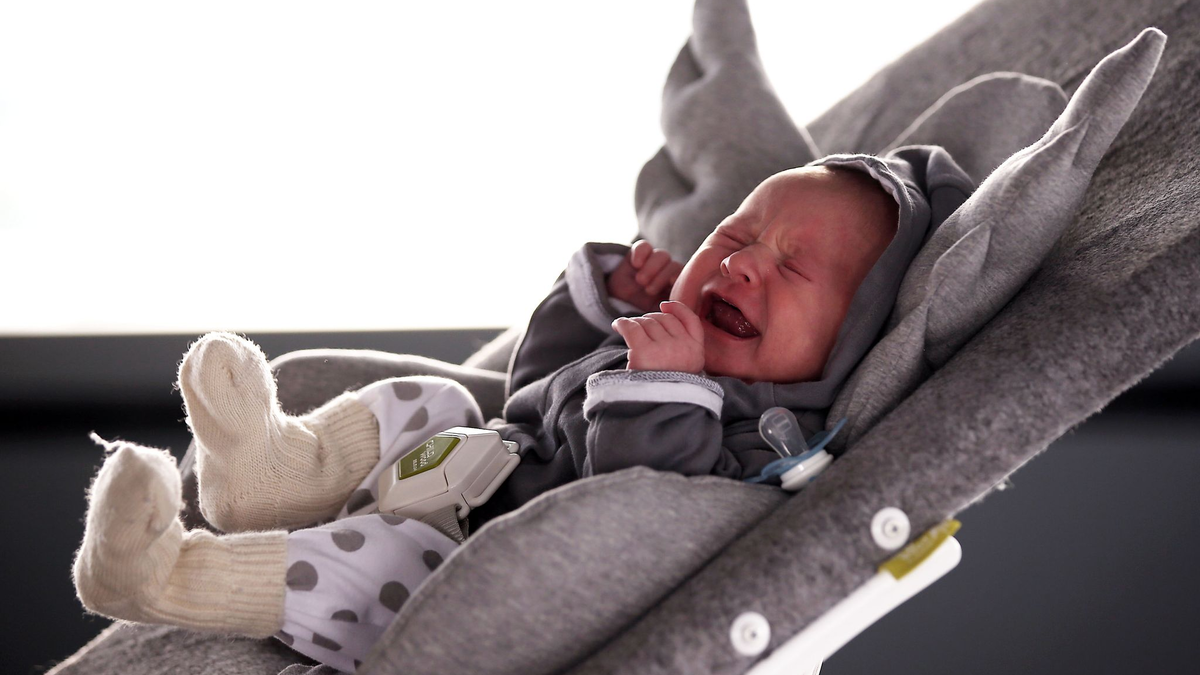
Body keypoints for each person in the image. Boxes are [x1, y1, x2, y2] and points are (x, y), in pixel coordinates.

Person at [71, 149, 969, 673]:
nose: (740, 264)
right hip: (469, 469)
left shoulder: (764, 447)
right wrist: (603, 306)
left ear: (850, 337)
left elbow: (641, 526)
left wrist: (662, 390)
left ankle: (167, 577)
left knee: (385, 559)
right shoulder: (664, 341)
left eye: (793, 267)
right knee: (442, 399)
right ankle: (271, 476)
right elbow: (532, 387)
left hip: (466, 575)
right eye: (736, 235)